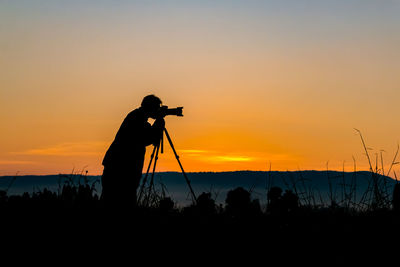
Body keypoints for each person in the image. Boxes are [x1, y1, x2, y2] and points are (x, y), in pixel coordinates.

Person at [101, 94, 165, 209]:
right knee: (121, 202)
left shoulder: (136, 116)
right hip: (122, 168)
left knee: (111, 201)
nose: (157, 111)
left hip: (118, 165)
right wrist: (159, 122)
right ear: (150, 107)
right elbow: (148, 138)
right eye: (156, 108)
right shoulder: (137, 118)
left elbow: (149, 137)